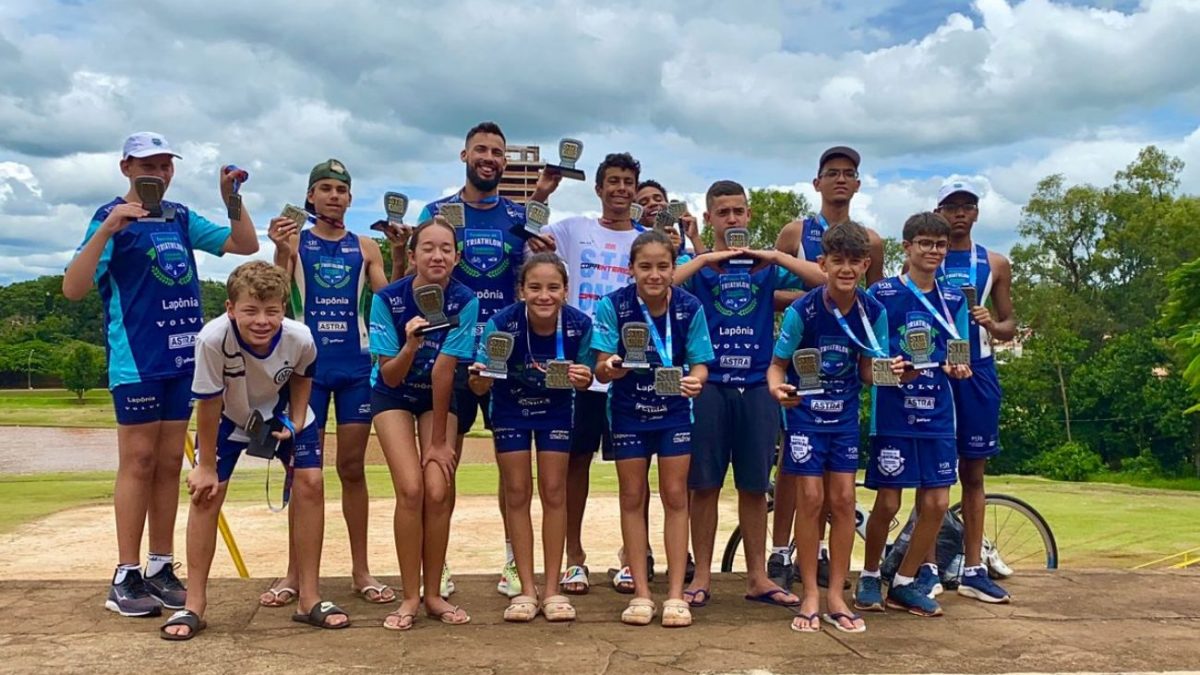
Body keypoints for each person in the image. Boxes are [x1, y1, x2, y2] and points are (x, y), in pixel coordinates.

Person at [63, 131, 258, 617]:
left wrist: (232, 199)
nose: (159, 172)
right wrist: (108, 229)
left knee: (172, 463)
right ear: (126, 166)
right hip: (137, 360)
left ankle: (159, 565)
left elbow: (244, 243)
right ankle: (125, 574)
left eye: (166, 164)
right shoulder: (110, 219)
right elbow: (73, 287)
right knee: (139, 461)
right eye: (148, 164)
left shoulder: (179, 217)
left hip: (183, 360)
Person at [161, 261, 346, 639]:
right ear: (231, 309)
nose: (262, 320)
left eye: (272, 311)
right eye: (250, 310)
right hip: (230, 416)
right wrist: (206, 466)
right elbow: (209, 403)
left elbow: (302, 376)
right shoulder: (212, 339)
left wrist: (295, 420)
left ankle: (309, 598)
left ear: (283, 310)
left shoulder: (300, 337)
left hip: (281, 413)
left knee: (311, 484)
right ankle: (194, 604)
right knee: (206, 495)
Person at [417, 122, 560, 599]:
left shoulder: (520, 216)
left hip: (507, 357)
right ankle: (435, 564)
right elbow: (416, 277)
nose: (490, 158)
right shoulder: (437, 213)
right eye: (481, 149)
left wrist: (544, 251)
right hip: (450, 355)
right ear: (464, 155)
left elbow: (536, 280)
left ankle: (513, 563)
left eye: (497, 152)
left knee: (512, 467)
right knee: (442, 463)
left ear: (504, 162)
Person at [671, 180, 822, 610]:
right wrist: (704, 256)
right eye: (723, 213)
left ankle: (757, 576)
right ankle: (701, 576)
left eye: (739, 211)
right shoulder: (698, 266)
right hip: (710, 385)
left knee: (755, 487)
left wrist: (775, 254)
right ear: (709, 217)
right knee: (704, 486)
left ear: (749, 215)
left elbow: (821, 281)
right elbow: (663, 284)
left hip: (758, 385)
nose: (732, 219)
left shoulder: (766, 267)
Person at [264, 159, 404, 608]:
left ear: (350, 197)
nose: (333, 196)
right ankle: (294, 574)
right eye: (324, 189)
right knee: (304, 474)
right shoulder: (294, 242)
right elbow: (276, 299)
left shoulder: (365, 247)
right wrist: (281, 252)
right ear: (310, 197)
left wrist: (399, 254)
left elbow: (388, 301)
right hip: (308, 372)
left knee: (352, 469)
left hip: (356, 369)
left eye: (341, 190)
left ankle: (361, 570)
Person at [770, 145, 885, 591]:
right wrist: (815, 298)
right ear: (816, 182)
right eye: (831, 173)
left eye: (849, 173)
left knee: (835, 487)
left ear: (857, 184)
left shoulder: (870, 240)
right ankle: (782, 550)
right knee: (793, 470)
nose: (840, 179)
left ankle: (818, 556)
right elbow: (770, 295)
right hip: (802, 358)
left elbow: (874, 302)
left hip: (845, 368)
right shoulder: (795, 231)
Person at [592, 230, 714, 627]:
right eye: (645, 266)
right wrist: (611, 366)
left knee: (676, 496)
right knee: (632, 496)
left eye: (663, 266)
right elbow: (601, 364)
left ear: (674, 268)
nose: (655, 274)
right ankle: (641, 594)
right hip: (628, 411)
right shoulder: (614, 305)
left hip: (675, 411)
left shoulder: (689, 306)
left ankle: (676, 594)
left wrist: (696, 379)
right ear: (631, 269)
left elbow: (700, 363)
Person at [466, 253, 595, 622]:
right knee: (517, 494)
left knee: (555, 493)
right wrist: (481, 378)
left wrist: (584, 378)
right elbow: (478, 384)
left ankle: (552, 590)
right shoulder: (501, 323)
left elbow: (587, 374)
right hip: (510, 410)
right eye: (535, 287)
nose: (544, 295)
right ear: (521, 290)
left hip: (555, 411)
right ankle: (525, 589)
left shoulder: (578, 324)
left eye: (553, 287)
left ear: (565, 291)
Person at [537, 152, 644, 595]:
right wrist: (543, 191)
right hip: (581, 368)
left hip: (629, 371)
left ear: (636, 192)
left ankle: (629, 559)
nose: (620, 189)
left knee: (633, 471)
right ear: (598, 188)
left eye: (627, 182)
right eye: (613, 181)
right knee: (573, 465)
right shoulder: (573, 229)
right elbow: (525, 237)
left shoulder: (646, 239)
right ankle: (574, 558)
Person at [855, 212, 972, 617]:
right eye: (924, 243)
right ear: (906, 247)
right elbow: (868, 367)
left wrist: (959, 367)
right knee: (887, 503)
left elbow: (961, 354)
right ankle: (870, 574)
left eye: (940, 245)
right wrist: (896, 371)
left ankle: (904, 581)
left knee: (937, 502)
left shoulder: (954, 299)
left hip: (938, 412)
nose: (933, 252)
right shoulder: (882, 296)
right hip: (894, 413)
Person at [369, 217, 479, 630]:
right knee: (411, 488)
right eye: (428, 248)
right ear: (412, 256)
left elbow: (445, 372)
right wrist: (412, 343)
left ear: (456, 257)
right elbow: (390, 376)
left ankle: (434, 593)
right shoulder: (390, 300)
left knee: (437, 488)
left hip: (438, 393)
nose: (438, 255)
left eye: (446, 249)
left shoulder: (464, 300)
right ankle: (410, 596)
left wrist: (437, 443)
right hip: (394, 392)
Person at [934, 179, 1016, 603]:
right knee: (933, 475)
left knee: (974, 474)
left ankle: (972, 567)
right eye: (952, 206)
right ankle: (926, 566)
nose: (959, 214)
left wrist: (989, 323)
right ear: (940, 211)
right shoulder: (928, 257)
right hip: (937, 369)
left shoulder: (994, 263)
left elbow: (1009, 326)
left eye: (967, 206)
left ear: (977, 213)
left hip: (979, 369)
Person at [635, 179, 705, 261]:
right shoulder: (630, 247)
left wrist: (695, 238)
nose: (653, 203)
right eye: (643, 203)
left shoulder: (685, 253)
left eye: (658, 199)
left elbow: (709, 272)